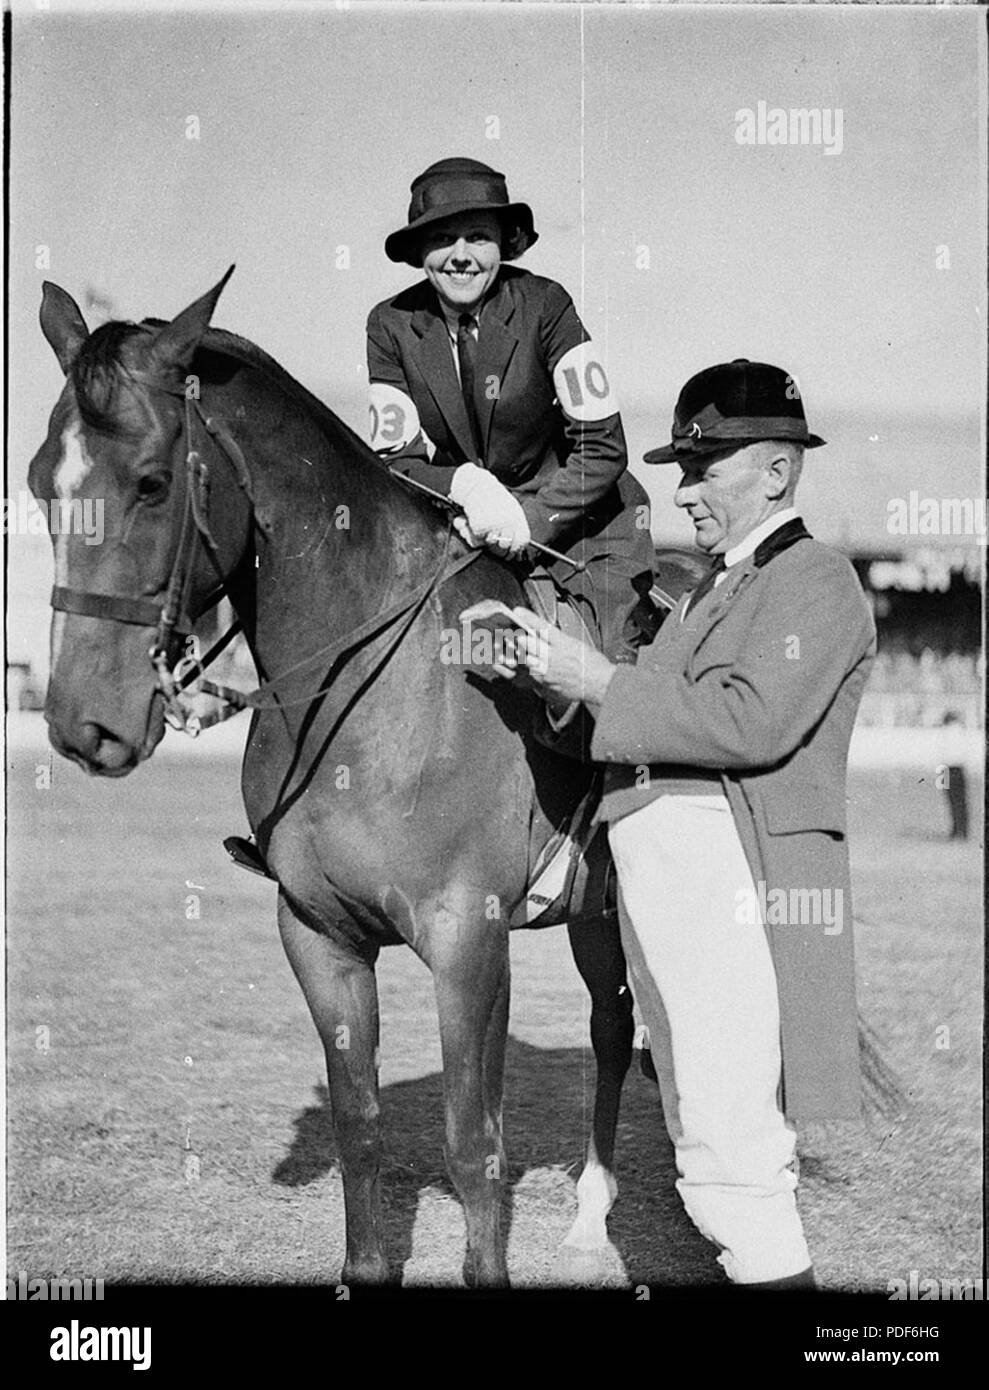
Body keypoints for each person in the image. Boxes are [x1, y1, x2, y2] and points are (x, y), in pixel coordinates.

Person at [494, 359, 877, 1288]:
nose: (685, 488)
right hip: (672, 879)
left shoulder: (815, 580)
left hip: (732, 886)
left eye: (706, 466)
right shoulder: (710, 587)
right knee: (703, 1150)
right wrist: (546, 675)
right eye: (683, 466)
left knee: (733, 1160)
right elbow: (637, 717)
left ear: (777, 472)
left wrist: (595, 680)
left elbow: (748, 721)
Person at [365, 157, 655, 664]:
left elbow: (603, 446)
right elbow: (396, 461)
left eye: (478, 236)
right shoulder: (389, 325)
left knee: (596, 684)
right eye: (441, 239)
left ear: (504, 243)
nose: (461, 256)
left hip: (585, 526)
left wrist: (533, 518)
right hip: (471, 524)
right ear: (418, 252)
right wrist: (465, 486)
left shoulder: (547, 305)